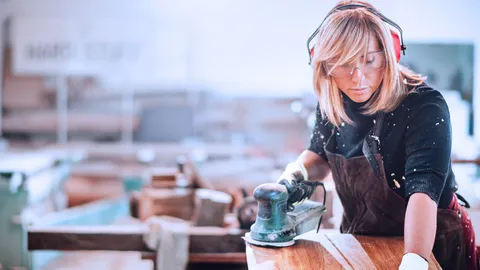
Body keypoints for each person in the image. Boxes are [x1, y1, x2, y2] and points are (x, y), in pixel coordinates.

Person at [277, 1, 479, 269]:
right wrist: (295, 173)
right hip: (361, 241)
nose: (358, 77)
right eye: (344, 64)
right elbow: (319, 155)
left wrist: (416, 260)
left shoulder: (424, 106)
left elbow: (423, 192)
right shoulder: (333, 102)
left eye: (369, 60)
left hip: (432, 244)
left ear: (389, 54)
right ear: (325, 65)